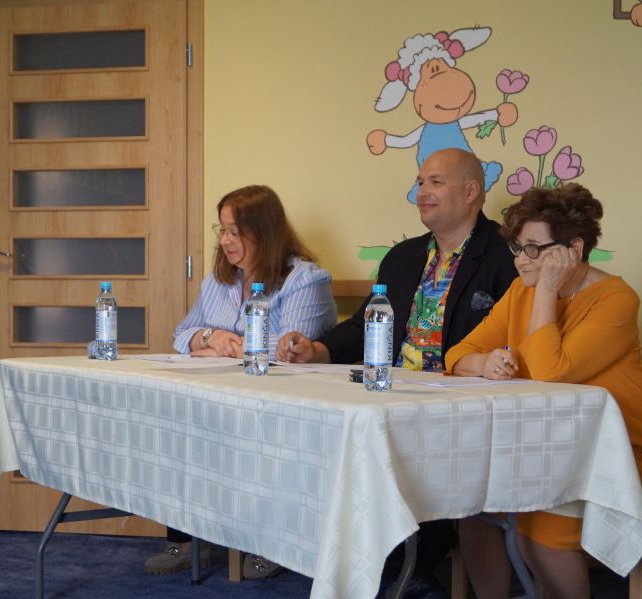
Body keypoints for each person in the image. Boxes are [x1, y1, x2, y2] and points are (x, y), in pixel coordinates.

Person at [275, 148, 518, 589]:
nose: (422, 191)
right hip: (394, 402)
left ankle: (402, 565)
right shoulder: (403, 257)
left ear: (471, 192)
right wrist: (319, 350)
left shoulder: (506, 256)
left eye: (435, 182)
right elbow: (364, 325)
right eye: (420, 182)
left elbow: (517, 342)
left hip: (461, 413)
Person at [444, 183, 642, 599]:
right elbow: (458, 353)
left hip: (620, 451)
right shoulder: (521, 291)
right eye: (518, 248)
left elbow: (550, 373)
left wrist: (547, 290)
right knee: (474, 504)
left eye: (534, 249)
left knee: (541, 519)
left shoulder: (616, 299)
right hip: (545, 446)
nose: (521, 260)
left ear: (574, 248)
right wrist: (484, 363)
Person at [146, 184, 337, 577]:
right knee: (177, 420)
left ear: (264, 233)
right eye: (222, 231)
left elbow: (290, 348)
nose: (225, 241)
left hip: (280, 401)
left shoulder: (305, 279)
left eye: (235, 232)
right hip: (223, 392)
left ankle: (273, 542)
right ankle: (187, 540)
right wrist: (209, 337)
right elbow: (182, 334)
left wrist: (227, 348)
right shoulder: (219, 280)